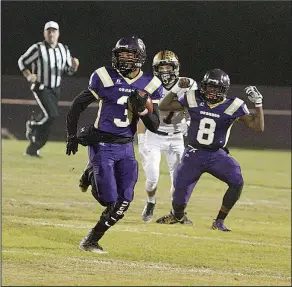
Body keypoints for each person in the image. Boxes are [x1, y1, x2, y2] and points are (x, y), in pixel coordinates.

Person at [66, 36, 163, 253]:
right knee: (107, 198)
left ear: (140, 58)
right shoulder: (103, 76)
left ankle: (91, 240)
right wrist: (72, 135)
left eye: (130, 55)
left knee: (124, 200)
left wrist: (143, 110)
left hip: (127, 146)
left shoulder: (151, 83)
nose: (125, 59)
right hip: (102, 144)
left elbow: (154, 125)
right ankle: (91, 173)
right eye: (121, 55)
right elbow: (77, 106)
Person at [156, 69, 264, 231]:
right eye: (209, 87)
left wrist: (258, 103)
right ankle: (177, 215)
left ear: (224, 89)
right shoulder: (193, 97)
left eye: (216, 88)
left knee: (237, 182)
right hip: (193, 153)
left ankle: (219, 221)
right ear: (203, 86)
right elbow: (164, 106)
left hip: (216, 155)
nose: (211, 92)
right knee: (179, 190)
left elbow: (258, 127)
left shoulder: (234, 105)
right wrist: (176, 89)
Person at [137, 50, 197, 222]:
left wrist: (190, 124)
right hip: (154, 136)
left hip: (177, 137)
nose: (165, 71)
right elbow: (142, 113)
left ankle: (174, 212)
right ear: (155, 69)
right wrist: (141, 141)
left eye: (168, 66)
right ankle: (150, 201)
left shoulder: (189, 84)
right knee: (152, 178)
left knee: (178, 181)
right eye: (161, 67)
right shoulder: (149, 84)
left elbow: (196, 109)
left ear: (175, 68)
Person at [18, 21, 79, 157]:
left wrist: (74, 67)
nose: (51, 34)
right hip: (41, 86)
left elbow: (67, 70)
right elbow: (22, 61)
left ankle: (33, 148)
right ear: (44, 33)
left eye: (54, 31)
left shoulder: (63, 49)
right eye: (48, 31)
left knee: (49, 120)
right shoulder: (38, 48)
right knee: (52, 115)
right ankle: (33, 125)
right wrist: (29, 75)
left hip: (55, 89)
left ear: (58, 33)